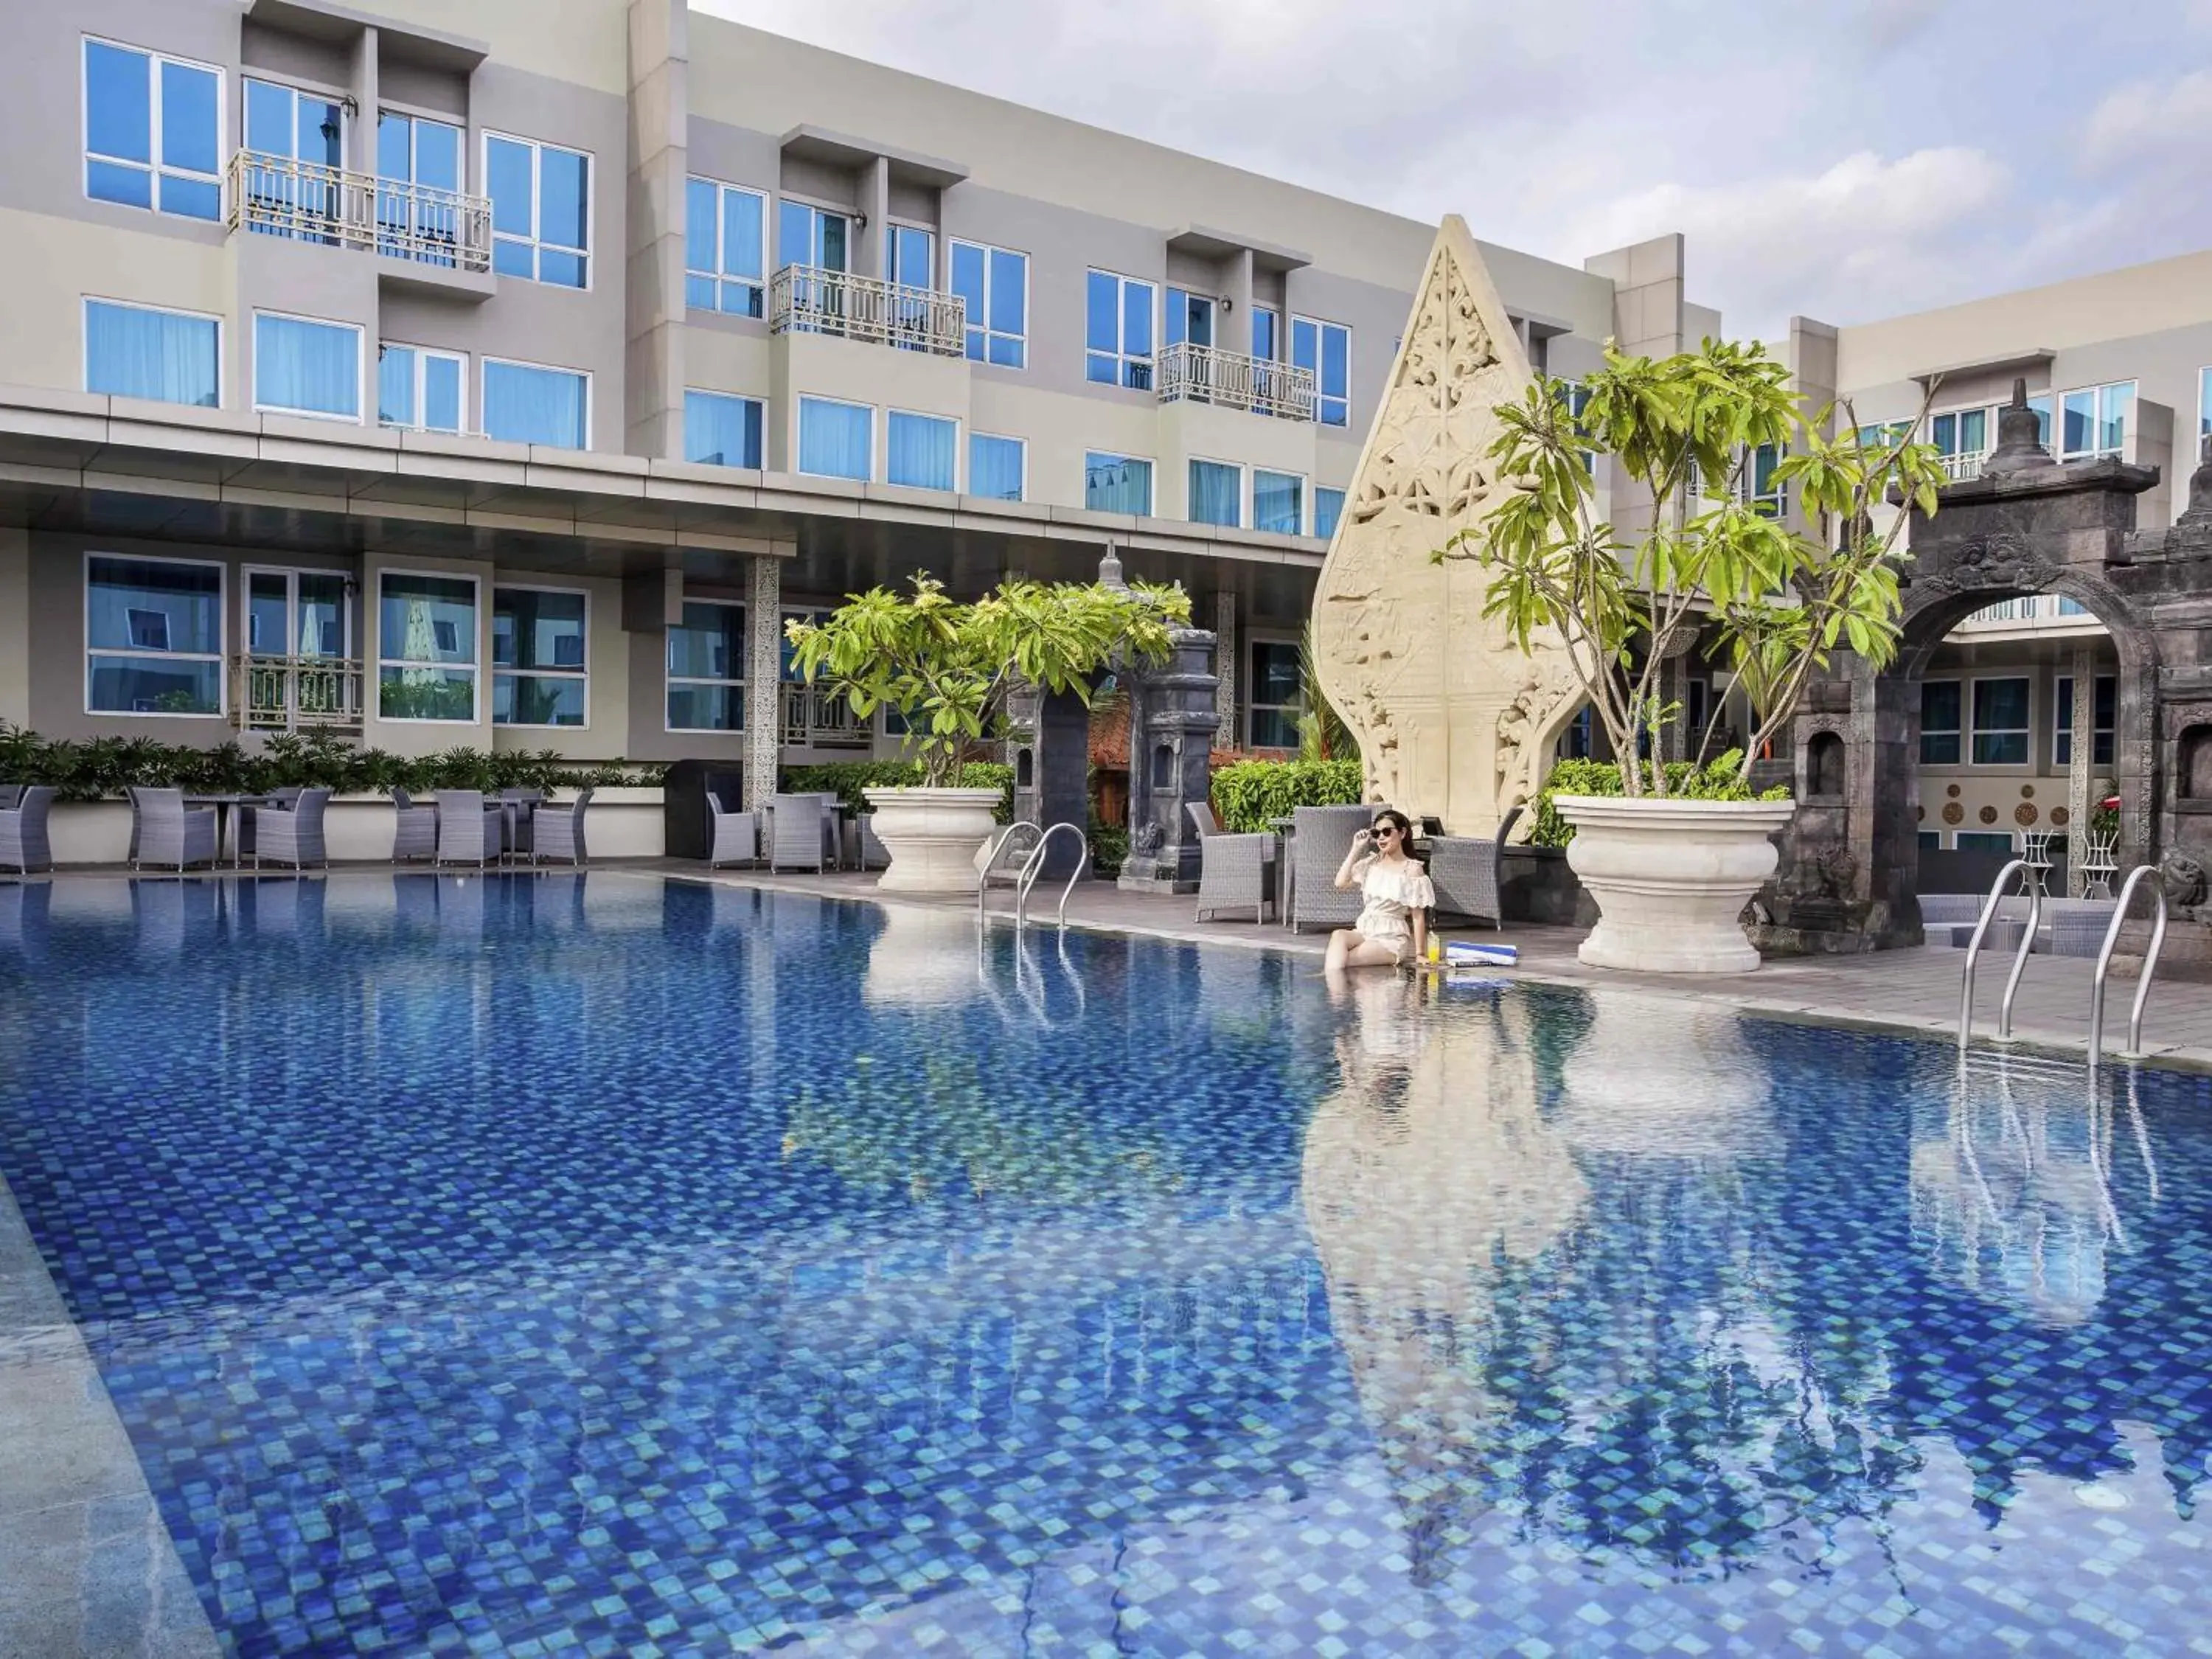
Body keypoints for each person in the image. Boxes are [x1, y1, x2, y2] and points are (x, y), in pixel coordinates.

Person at [1323, 809, 1436, 975]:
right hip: (1365, 930)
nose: (1381, 837)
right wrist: (1356, 849)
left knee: (1344, 961)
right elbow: (1340, 883)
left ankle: (1335, 997)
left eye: (1387, 832)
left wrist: (1420, 954)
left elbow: (1418, 916)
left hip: (1390, 938)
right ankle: (1336, 995)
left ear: (1402, 833)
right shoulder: (1371, 863)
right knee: (1338, 935)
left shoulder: (1412, 869)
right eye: (1377, 833)